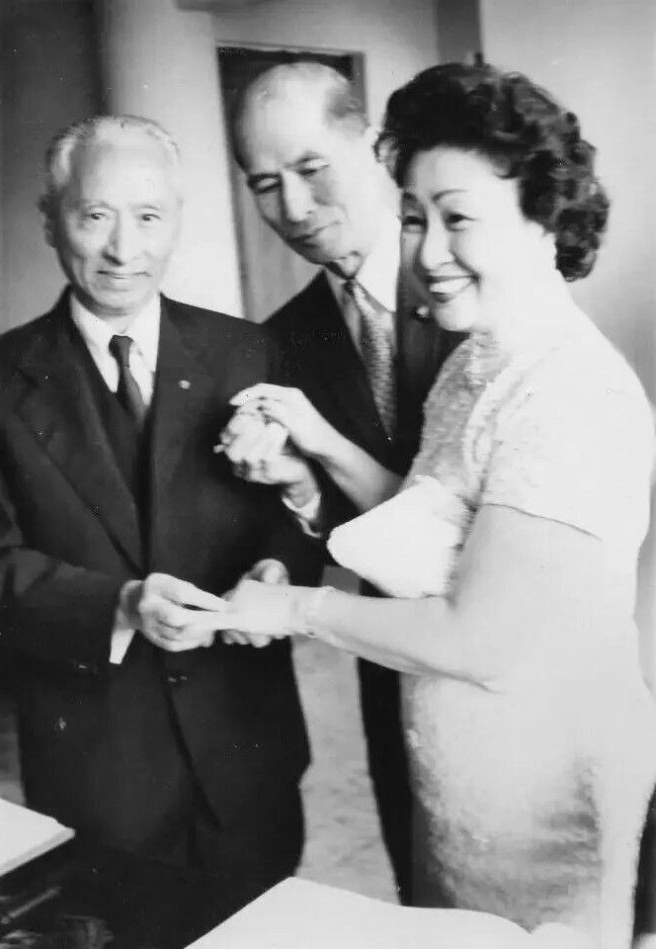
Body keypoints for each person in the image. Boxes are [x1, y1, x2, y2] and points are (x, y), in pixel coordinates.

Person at [212, 64, 656, 944]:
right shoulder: (477, 361)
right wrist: (320, 442)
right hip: (460, 792)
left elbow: (474, 636)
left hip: (543, 807)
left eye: (458, 218)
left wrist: (296, 608)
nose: (428, 251)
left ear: (543, 218)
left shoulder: (571, 392)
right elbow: (435, 528)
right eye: (415, 217)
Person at [0, 115, 315, 904]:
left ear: (176, 221)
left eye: (147, 217)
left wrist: (280, 563)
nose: (123, 249)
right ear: (51, 220)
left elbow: (295, 511)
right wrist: (122, 604)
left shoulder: (250, 352)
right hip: (99, 768)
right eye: (94, 215)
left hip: (246, 751)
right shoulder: (0, 378)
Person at [231, 62, 464, 900]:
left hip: (508, 655)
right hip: (388, 670)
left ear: (372, 147)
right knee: (422, 888)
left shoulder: (469, 280)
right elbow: (319, 530)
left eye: (310, 168)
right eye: (265, 185)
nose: (293, 207)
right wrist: (296, 487)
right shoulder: (280, 338)